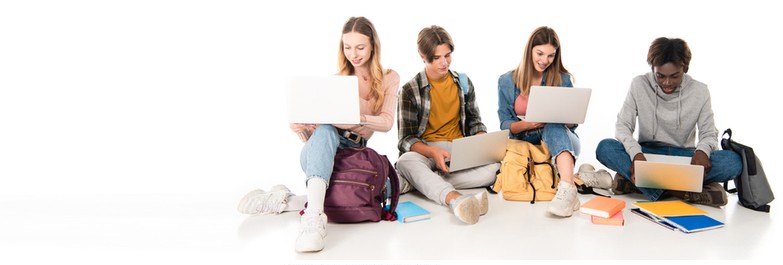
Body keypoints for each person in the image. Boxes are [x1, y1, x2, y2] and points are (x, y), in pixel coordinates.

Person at [236, 17, 400, 252]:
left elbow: (386, 122)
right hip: (324, 148)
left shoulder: (389, 77)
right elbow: (317, 141)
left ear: (373, 45)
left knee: (356, 191)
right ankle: (313, 219)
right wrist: (303, 131)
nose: (353, 53)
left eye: (360, 47)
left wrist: (355, 119)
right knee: (324, 130)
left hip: (354, 153)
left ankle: (286, 201)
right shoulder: (336, 81)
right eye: (347, 47)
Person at [595, 37, 742, 207]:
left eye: (674, 76)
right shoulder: (639, 84)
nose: (667, 83)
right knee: (605, 147)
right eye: (660, 76)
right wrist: (636, 155)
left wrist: (702, 151)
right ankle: (684, 193)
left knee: (733, 162)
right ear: (652, 69)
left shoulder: (700, 91)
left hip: (685, 158)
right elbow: (623, 127)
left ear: (684, 68)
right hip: (648, 155)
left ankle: (641, 184)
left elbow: (708, 133)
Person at [497, 26, 611, 217]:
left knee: (553, 125)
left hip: (562, 140)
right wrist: (529, 124)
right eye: (540, 53)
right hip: (526, 142)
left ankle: (568, 191)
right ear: (529, 51)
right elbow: (505, 124)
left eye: (550, 56)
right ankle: (582, 178)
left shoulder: (562, 79)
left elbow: (573, 124)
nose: (544, 61)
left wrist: (560, 119)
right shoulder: (506, 81)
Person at [395, 25, 495, 225]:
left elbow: (475, 121)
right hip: (428, 151)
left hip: (458, 149)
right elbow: (406, 139)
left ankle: (421, 182)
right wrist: (433, 153)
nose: (444, 62)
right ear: (422, 55)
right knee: (406, 161)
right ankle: (455, 199)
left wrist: (481, 140)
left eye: (447, 56)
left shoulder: (463, 82)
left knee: (495, 166)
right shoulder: (409, 90)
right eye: (436, 57)